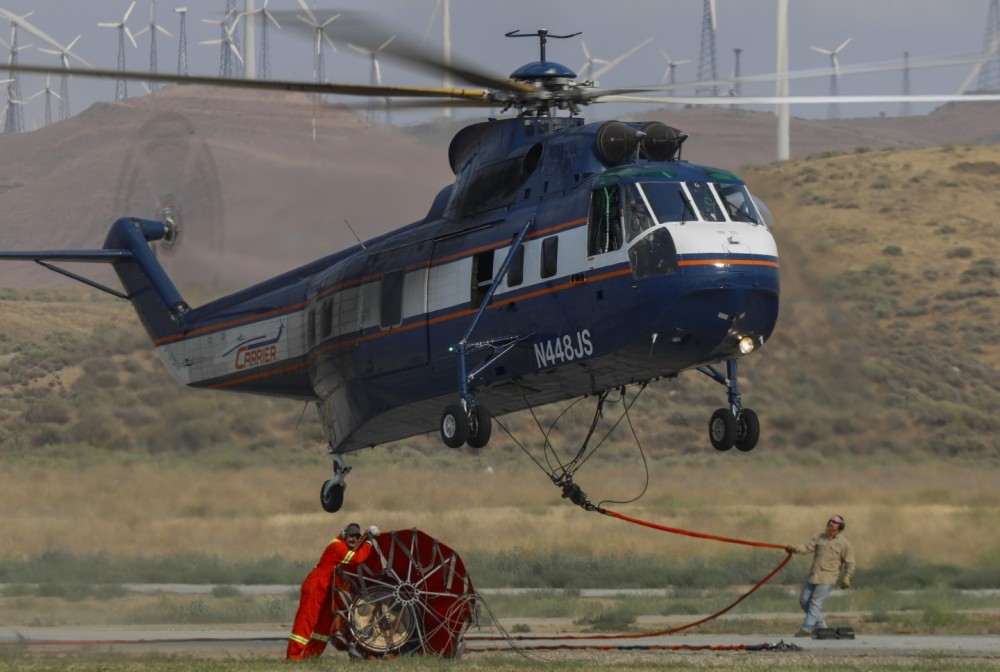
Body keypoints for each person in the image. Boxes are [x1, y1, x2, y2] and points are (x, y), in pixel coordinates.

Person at [286, 522, 380, 660]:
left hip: (327, 589)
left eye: (357, 537)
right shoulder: (337, 547)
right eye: (351, 536)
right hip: (316, 587)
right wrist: (369, 543)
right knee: (306, 621)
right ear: (344, 535)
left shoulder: (343, 545)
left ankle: (311, 656)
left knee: (324, 626)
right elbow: (357, 558)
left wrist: (366, 536)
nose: (354, 539)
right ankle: (293, 657)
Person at [785, 514, 855, 638]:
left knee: (815, 602)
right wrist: (794, 549)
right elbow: (807, 548)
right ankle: (821, 628)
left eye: (834, 522)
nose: (831, 523)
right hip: (813, 576)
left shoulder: (844, 543)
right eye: (830, 521)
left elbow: (850, 562)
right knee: (804, 601)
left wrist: (847, 577)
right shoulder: (819, 537)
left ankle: (806, 629)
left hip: (828, 578)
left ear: (840, 526)